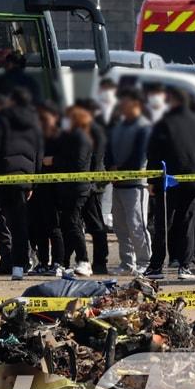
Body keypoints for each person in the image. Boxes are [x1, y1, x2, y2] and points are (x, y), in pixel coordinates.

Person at [0, 87, 45, 280]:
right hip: (22, 180)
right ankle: (19, 268)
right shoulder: (35, 124)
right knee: (19, 224)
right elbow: (39, 156)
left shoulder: (2, 118)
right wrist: (32, 183)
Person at [145, 85, 195, 280]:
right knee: (187, 224)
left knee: (163, 224)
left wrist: (152, 180)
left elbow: (154, 153)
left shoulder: (164, 122)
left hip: (170, 182)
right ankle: (185, 266)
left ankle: (156, 266)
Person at [108, 88, 153, 275]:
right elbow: (108, 149)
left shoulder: (144, 126)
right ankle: (127, 262)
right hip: (117, 184)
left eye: (125, 102)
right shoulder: (118, 126)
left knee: (137, 225)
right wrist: (110, 167)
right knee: (120, 226)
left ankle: (145, 261)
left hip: (136, 184)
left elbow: (140, 155)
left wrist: (121, 168)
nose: (121, 106)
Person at [52, 104, 96, 276]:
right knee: (69, 223)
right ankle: (68, 261)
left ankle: (84, 260)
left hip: (77, 187)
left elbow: (77, 164)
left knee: (73, 223)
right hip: (70, 187)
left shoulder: (80, 138)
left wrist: (55, 161)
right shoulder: (71, 137)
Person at [30, 101, 66, 275]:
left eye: (45, 117)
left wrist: (54, 161)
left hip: (55, 190)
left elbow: (71, 161)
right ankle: (43, 262)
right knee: (39, 227)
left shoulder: (61, 137)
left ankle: (59, 262)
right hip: (38, 188)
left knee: (54, 227)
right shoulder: (37, 138)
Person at [76, 97, 110, 274]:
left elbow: (96, 159)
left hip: (92, 185)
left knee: (96, 224)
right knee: (90, 223)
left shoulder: (94, 131)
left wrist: (90, 181)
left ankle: (100, 261)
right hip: (90, 183)